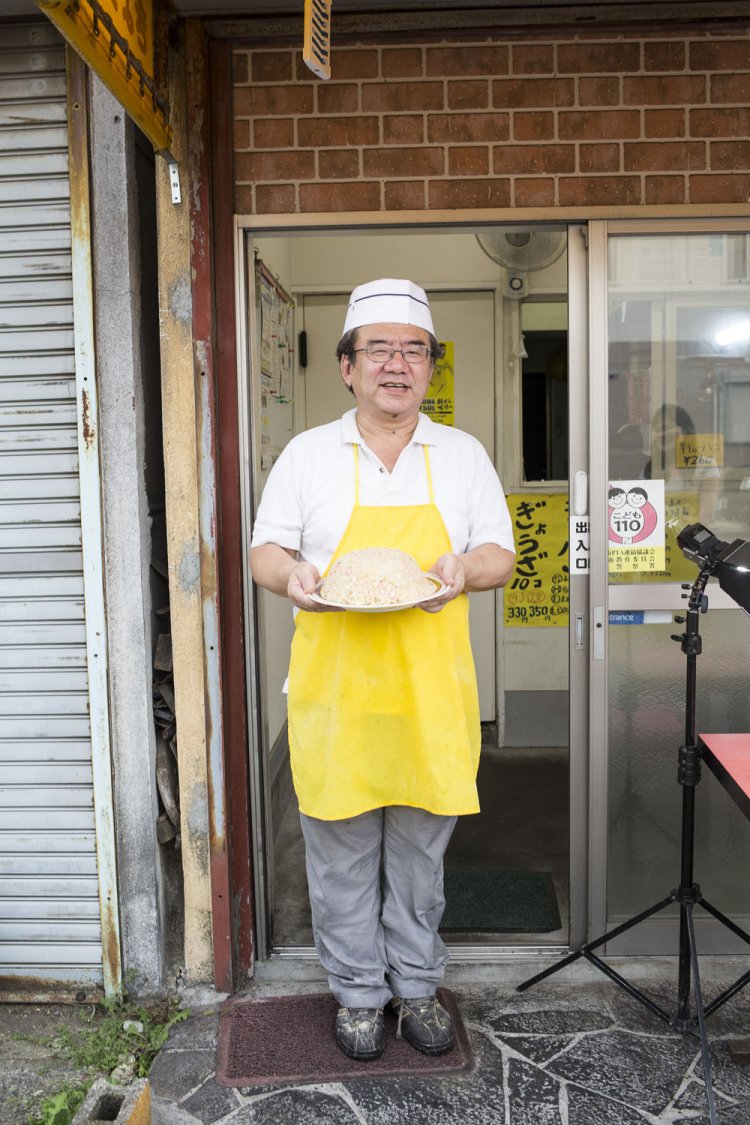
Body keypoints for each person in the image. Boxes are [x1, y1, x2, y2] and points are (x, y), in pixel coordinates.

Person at [250, 279, 516, 1062]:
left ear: (430, 367)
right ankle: (359, 994)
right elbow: (265, 549)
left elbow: (500, 553)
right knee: (339, 860)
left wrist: (465, 567)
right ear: (347, 367)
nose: (396, 364)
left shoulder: (461, 455)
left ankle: (418, 986)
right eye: (379, 349)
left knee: (419, 862)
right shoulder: (308, 455)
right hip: (336, 696)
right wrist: (291, 576)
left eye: (413, 349)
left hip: (430, 695)